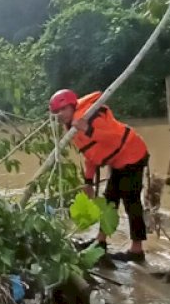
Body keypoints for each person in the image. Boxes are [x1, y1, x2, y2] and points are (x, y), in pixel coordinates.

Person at [49, 89, 149, 263]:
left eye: (63, 109)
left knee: (131, 202)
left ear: (72, 106)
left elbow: (113, 138)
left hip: (133, 155)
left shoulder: (91, 116)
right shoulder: (73, 127)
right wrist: (88, 181)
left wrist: (88, 129)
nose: (60, 115)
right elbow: (91, 154)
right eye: (57, 112)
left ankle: (137, 251)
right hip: (118, 161)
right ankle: (100, 242)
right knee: (109, 200)